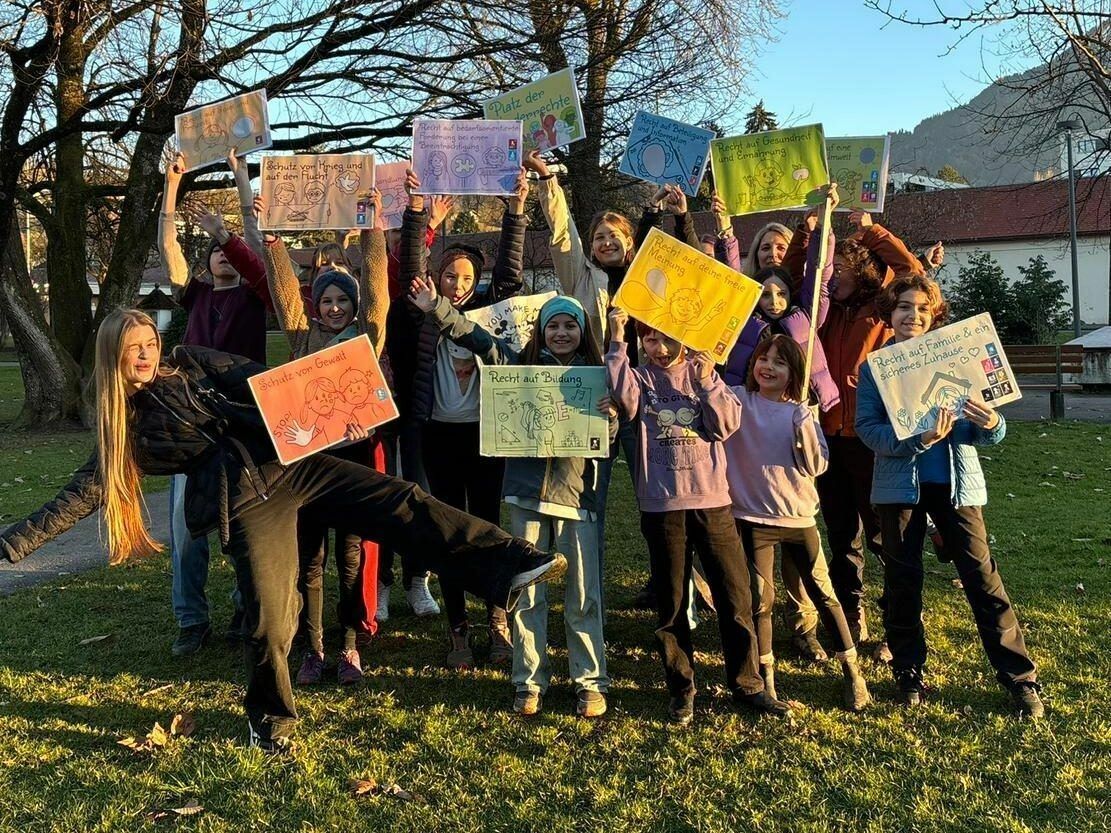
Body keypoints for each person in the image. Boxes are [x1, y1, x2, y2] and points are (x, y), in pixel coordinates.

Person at [0, 309, 567, 753]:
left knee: (402, 501)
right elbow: (74, 499)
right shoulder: (123, 429)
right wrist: (11, 544)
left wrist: (336, 399)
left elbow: (267, 380)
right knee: (271, 618)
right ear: (113, 355)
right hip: (248, 503)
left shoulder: (192, 363)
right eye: (133, 349)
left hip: (296, 464)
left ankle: (508, 563)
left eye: (149, 344)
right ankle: (270, 719)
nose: (146, 355)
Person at [410, 283, 613, 718]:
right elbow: (476, 337)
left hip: (578, 498)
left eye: (569, 325)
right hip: (525, 498)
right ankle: (529, 681)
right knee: (526, 594)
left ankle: (589, 683)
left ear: (582, 331)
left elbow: (607, 439)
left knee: (583, 594)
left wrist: (609, 416)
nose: (561, 333)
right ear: (540, 330)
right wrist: (438, 308)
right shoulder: (520, 366)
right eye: (552, 325)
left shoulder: (599, 376)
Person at [855, 276, 1043, 717]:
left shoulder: (958, 357)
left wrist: (992, 423)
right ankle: (908, 669)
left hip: (959, 488)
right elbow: (868, 430)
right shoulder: (875, 368)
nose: (912, 316)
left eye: (921, 309)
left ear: (933, 315)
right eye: (903, 306)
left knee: (982, 577)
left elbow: (989, 433)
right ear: (890, 312)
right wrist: (917, 440)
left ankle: (1018, 677)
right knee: (903, 580)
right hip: (898, 488)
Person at [605, 306, 790, 724]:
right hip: (662, 504)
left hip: (711, 502)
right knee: (671, 603)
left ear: (685, 339)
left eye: (667, 338)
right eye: (650, 338)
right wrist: (617, 336)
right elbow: (623, 398)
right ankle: (682, 687)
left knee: (735, 595)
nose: (659, 346)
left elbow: (726, 425)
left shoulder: (706, 374)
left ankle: (748, 685)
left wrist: (706, 381)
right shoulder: (641, 377)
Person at [258, 187, 388, 685]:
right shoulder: (301, 336)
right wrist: (272, 245)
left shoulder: (368, 336)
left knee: (351, 556)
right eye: (327, 300)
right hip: (307, 465)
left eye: (342, 301)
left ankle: (350, 647)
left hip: (353, 460)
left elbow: (377, 291)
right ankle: (313, 650)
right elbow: (286, 295)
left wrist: (374, 231)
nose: (334, 308)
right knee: (310, 559)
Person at [398, 168, 527, 668]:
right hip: (438, 439)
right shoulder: (421, 312)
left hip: (487, 437)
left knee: (490, 529)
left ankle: (498, 622)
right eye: (449, 275)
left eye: (466, 277)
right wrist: (415, 213)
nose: (456, 283)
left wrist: (517, 210)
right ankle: (458, 629)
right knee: (449, 532)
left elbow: (512, 273)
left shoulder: (493, 314)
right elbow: (413, 267)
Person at [158, 149, 271, 656]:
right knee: (186, 531)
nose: (223, 256)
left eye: (230, 252)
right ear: (205, 260)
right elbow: (167, 249)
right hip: (193, 422)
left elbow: (254, 245)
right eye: (215, 251)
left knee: (245, 523)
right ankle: (190, 620)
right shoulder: (197, 295)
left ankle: (245, 609)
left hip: (244, 422)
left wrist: (242, 175)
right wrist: (171, 184)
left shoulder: (255, 296)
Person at [725, 335, 870, 711]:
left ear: (795, 374)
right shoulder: (739, 400)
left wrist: (806, 424)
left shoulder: (800, 412)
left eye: (780, 362)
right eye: (763, 359)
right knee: (761, 602)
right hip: (752, 518)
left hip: (798, 519)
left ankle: (853, 672)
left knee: (824, 594)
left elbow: (817, 466)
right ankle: (767, 679)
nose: (768, 367)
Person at [803, 210, 925, 654]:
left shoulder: (880, 310)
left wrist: (872, 230)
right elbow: (795, 276)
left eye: (842, 271)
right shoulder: (823, 314)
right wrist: (810, 232)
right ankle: (852, 618)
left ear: (864, 270)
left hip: (873, 440)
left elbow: (913, 272)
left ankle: (899, 614)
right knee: (841, 535)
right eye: (832, 271)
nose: (834, 278)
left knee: (882, 536)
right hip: (829, 437)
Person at [379, 194, 454, 622]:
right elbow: (394, 270)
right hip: (378, 413)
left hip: (419, 411)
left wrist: (422, 222)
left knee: (421, 496)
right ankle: (383, 582)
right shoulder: (374, 296)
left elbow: (408, 271)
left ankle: (417, 578)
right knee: (385, 499)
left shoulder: (420, 301)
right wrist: (418, 222)